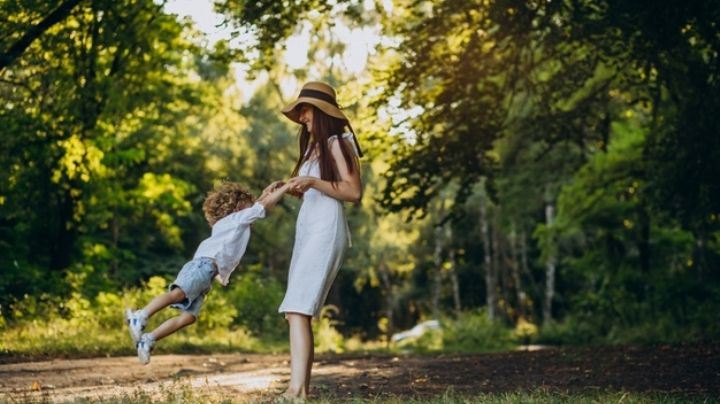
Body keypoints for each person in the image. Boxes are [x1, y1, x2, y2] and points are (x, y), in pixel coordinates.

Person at [124, 181, 289, 364]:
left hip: (207, 274)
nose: (253, 207)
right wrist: (284, 189)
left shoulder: (234, 222)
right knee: (177, 294)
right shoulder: (236, 220)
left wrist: (266, 192)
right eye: (248, 204)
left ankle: (148, 340)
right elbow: (260, 207)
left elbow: (258, 206)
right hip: (202, 267)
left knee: (188, 317)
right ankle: (140, 316)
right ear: (238, 206)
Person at [268, 81, 363, 399]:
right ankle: (299, 391)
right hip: (309, 228)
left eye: (305, 110)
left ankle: (296, 391)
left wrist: (312, 180)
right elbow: (321, 190)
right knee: (296, 309)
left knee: (298, 308)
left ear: (321, 112)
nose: (302, 117)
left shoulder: (337, 142)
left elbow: (352, 192)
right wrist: (294, 187)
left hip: (325, 230)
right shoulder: (314, 147)